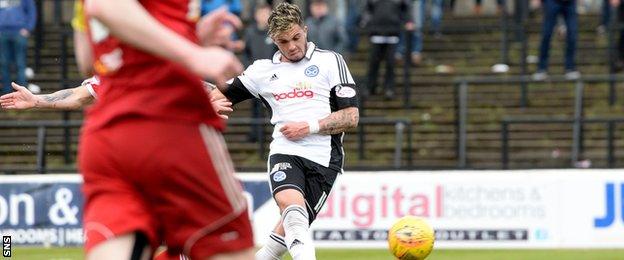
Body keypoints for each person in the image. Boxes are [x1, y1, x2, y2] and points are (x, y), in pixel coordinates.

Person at [78, 1, 253, 259]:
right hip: (170, 125)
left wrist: (190, 38)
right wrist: (193, 54)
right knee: (232, 251)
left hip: (108, 133)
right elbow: (105, 5)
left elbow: (86, 57)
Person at [217, 3, 359, 259]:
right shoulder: (262, 71)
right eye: (283, 41)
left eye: (296, 37)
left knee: (283, 237)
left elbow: (351, 116)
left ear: (305, 30)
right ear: (273, 39)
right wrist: (209, 99)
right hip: (285, 152)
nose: (292, 46)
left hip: (324, 159)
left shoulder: (330, 61)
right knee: (292, 212)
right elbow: (219, 92)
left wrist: (310, 126)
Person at [363, 0, 413, 99]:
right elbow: (367, 10)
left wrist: (409, 21)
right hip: (376, 32)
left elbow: (405, 9)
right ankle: (370, 87)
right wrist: (367, 22)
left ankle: (389, 89)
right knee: (373, 63)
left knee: (390, 64)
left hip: (392, 33)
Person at [531, 0, 580, 81]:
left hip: (570, 3)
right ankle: (541, 69)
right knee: (546, 34)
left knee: (572, 35)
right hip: (551, 2)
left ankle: (570, 68)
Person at [0, 0, 36, 94]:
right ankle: (6, 93)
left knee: (20, 63)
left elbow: (31, 11)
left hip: (19, 31)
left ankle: (22, 93)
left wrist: (28, 28)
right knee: (4, 64)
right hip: (2, 32)